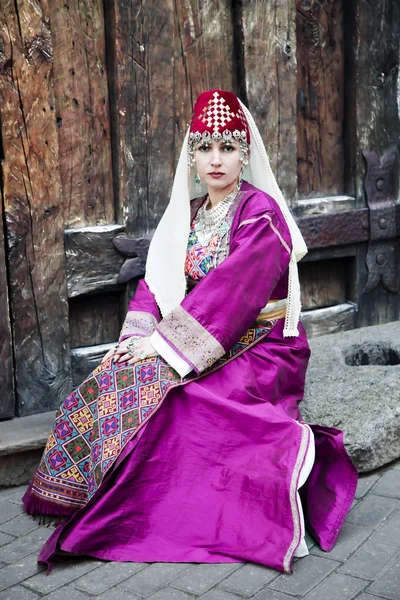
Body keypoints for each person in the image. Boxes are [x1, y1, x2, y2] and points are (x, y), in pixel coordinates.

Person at [23, 90, 357, 573]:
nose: (216, 159)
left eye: (227, 147)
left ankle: (266, 479)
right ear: (192, 157)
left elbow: (233, 291)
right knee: (113, 381)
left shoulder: (261, 214)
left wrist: (163, 347)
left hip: (262, 345)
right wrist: (135, 341)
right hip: (200, 337)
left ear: (246, 154)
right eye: (205, 147)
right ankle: (79, 496)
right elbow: (156, 284)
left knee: (183, 402)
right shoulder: (190, 212)